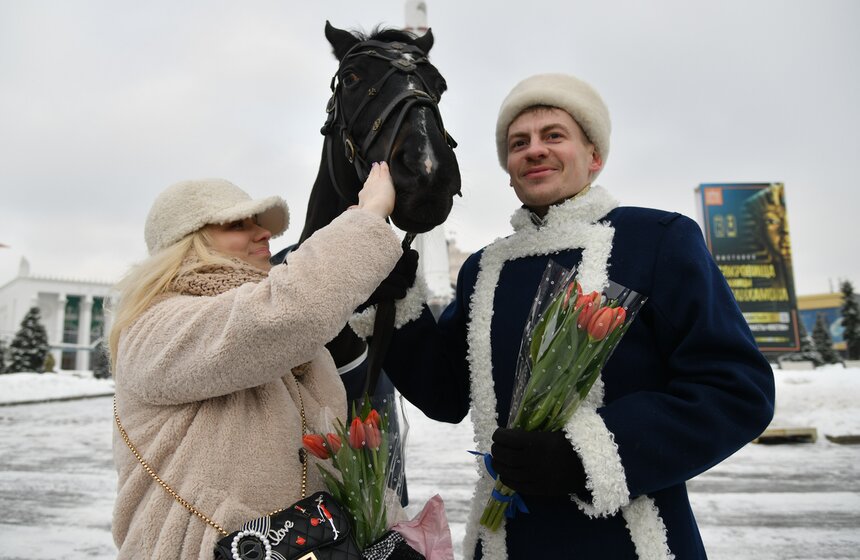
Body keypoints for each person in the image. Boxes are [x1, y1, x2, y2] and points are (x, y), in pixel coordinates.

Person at [362, 73, 776, 558]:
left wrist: (585, 455)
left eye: (553, 136)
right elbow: (446, 393)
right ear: (509, 168)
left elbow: (735, 390)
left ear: (594, 157)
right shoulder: (483, 268)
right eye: (519, 143)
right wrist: (395, 301)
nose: (534, 150)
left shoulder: (659, 240)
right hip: (504, 542)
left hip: (629, 544)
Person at [110, 163, 403, 558]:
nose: (264, 233)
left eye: (258, 222)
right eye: (237, 225)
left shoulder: (301, 353)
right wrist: (367, 220)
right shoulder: (154, 327)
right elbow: (290, 310)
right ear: (187, 244)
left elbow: (333, 468)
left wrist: (382, 530)